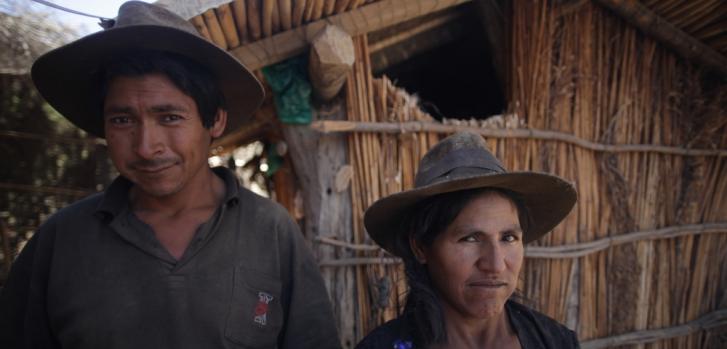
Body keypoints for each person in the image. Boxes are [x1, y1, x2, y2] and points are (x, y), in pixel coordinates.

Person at [0, 2, 340, 348]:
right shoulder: (61, 241)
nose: (147, 147)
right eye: (122, 120)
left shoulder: (271, 231)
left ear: (215, 121)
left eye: (170, 117)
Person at [356, 132, 580, 349]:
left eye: (508, 237)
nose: (495, 265)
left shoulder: (556, 342)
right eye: (470, 238)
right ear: (421, 248)